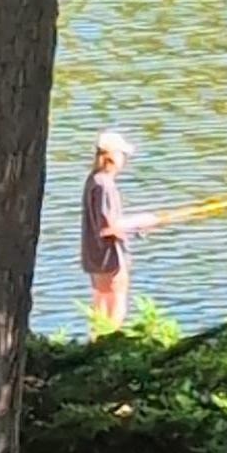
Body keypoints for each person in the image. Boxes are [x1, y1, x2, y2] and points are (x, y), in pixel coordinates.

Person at [78, 129, 139, 328]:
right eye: (122, 154)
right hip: (109, 257)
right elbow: (109, 226)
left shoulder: (93, 180)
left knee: (100, 307)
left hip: (94, 255)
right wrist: (141, 222)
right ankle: (110, 341)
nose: (125, 159)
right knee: (116, 306)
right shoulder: (105, 185)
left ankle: (97, 341)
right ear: (112, 157)